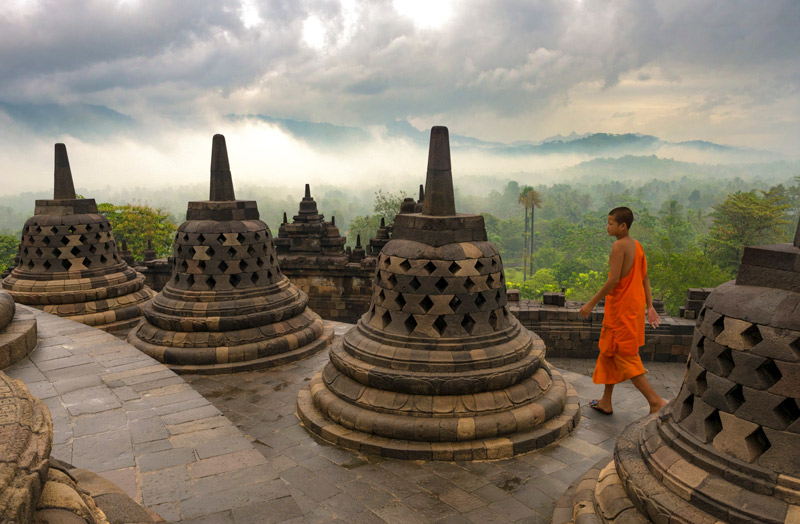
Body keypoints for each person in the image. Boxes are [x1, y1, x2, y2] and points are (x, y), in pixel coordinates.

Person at [578, 207, 667, 415]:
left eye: (610, 223)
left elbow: (613, 280)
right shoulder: (637, 246)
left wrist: (591, 302)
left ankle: (655, 401)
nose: (607, 227)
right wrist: (650, 306)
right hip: (632, 307)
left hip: (621, 310)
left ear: (623, 226)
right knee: (609, 352)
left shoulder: (619, 246)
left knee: (625, 356)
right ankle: (605, 402)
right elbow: (644, 277)